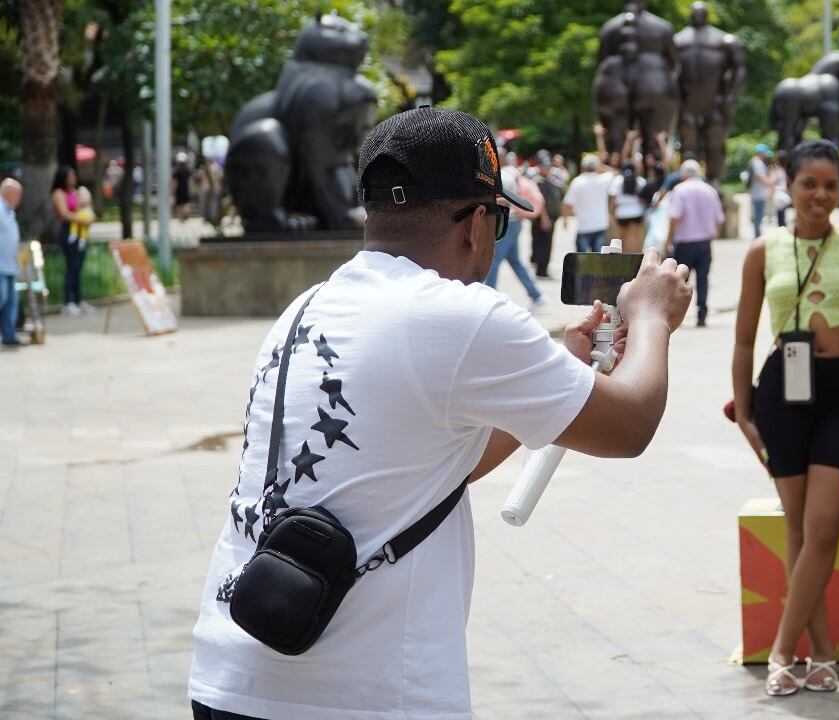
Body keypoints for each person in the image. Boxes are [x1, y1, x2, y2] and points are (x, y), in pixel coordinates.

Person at [188, 107, 693, 720]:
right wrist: (652, 318)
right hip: (362, 695)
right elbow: (632, 424)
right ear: (477, 224)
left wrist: (569, 370)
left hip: (232, 671)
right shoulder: (460, 315)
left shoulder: (307, 308)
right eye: (500, 219)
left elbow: (446, 464)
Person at [731, 139, 839, 697]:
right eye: (809, 184)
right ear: (789, 185)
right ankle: (822, 652)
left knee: (823, 527)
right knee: (797, 526)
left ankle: (782, 648)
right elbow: (743, 341)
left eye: (830, 185)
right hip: (783, 390)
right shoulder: (764, 249)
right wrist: (744, 414)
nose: (820, 195)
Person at [666, 159, 723, 327]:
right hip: (704, 242)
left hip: (685, 242)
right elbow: (719, 218)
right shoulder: (710, 190)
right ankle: (702, 313)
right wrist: (713, 233)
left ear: (684, 174)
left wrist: (669, 238)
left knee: (680, 280)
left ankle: (677, 315)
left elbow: (675, 216)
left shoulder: (680, 190)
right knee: (703, 279)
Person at [485, 154, 547, 309]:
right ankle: (536, 294)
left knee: (494, 260)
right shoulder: (512, 173)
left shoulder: (502, 176)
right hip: (515, 222)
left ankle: (489, 297)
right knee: (515, 261)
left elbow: (502, 200)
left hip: (507, 221)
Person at [50, 165, 94, 316]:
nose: (73, 178)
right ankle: (68, 301)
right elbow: (64, 213)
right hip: (69, 232)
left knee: (78, 268)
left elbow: (85, 205)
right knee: (71, 268)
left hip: (81, 233)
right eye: (70, 176)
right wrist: (82, 220)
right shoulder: (59, 193)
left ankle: (78, 299)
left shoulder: (76, 192)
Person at [563, 154, 614, 253]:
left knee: (582, 258)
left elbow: (568, 203)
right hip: (600, 223)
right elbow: (613, 172)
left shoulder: (577, 182)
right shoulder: (604, 179)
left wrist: (565, 219)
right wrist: (601, 166)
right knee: (598, 256)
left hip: (584, 225)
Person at [530, 152, 563, 278]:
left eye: (549, 166)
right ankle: (542, 270)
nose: (548, 168)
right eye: (545, 166)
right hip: (544, 218)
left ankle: (542, 268)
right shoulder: (539, 181)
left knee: (544, 243)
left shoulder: (550, 179)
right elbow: (541, 201)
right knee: (544, 244)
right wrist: (544, 218)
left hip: (549, 217)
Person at [0, 179, 21, 348]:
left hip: (10, 265)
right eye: (17, 194)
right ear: (8, 193)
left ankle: (9, 336)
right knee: (2, 298)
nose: (19, 198)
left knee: (11, 302)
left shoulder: (9, 211)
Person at [610, 162, 648, 253]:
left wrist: (611, 213)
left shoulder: (617, 180)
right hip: (636, 212)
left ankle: (622, 260)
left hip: (621, 213)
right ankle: (634, 261)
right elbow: (643, 198)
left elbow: (613, 199)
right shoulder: (641, 181)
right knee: (634, 238)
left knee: (621, 239)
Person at [748, 144, 775, 238]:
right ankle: (757, 236)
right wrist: (772, 181)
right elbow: (761, 178)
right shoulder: (757, 163)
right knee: (758, 216)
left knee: (758, 216)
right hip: (758, 194)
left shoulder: (755, 162)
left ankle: (757, 234)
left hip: (758, 193)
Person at [173, 152, 193, 222]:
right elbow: (190, 179)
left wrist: (173, 190)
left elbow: (175, 181)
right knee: (187, 203)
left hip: (179, 188)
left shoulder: (176, 170)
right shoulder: (187, 169)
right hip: (186, 188)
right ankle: (185, 213)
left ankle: (181, 217)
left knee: (179, 204)